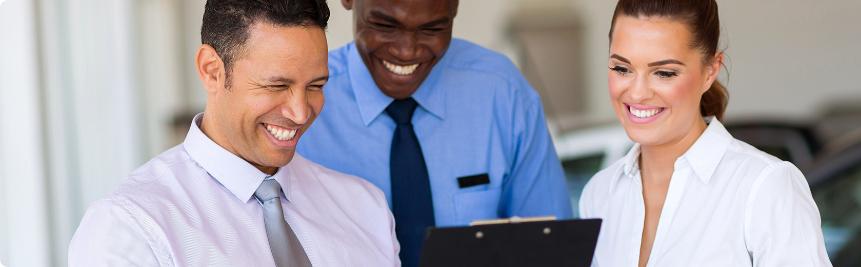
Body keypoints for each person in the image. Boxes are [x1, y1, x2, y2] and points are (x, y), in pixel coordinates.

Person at [68, 0, 399, 266]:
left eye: (316, 86)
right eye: (276, 85)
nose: (300, 113)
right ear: (212, 71)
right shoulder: (133, 227)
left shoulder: (364, 207)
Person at [297, 0, 573, 265]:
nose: (407, 52)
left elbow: (551, 247)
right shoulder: (300, 107)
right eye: (385, 26)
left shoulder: (502, 93)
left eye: (432, 29)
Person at [579, 0, 832, 266]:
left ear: (710, 71)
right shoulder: (599, 194)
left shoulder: (765, 188)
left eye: (664, 73)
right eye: (622, 69)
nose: (638, 92)